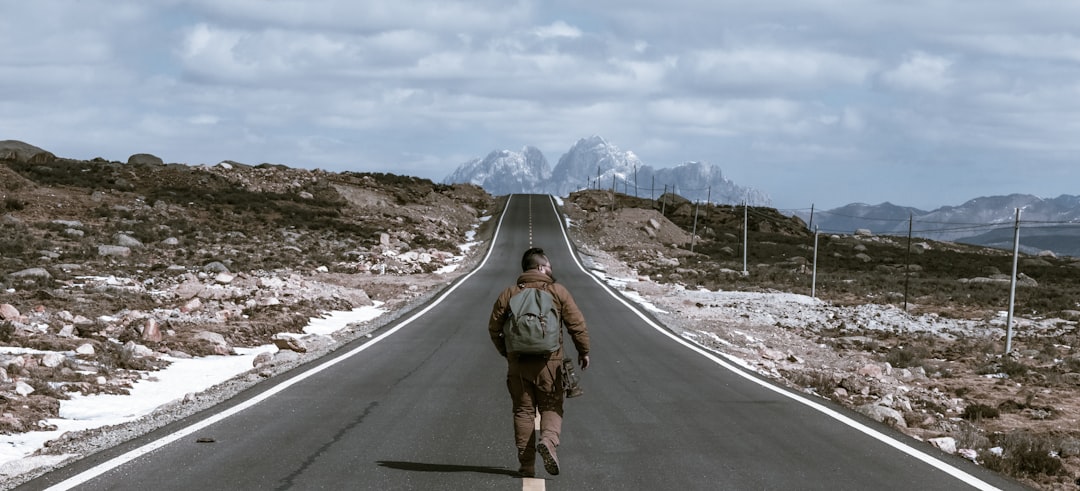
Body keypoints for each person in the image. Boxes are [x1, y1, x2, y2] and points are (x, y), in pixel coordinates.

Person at [489, 247, 590, 478]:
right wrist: (584, 351)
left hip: (519, 364)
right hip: (550, 364)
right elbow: (577, 325)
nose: (551, 271)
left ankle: (526, 467)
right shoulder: (557, 291)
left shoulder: (509, 293)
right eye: (550, 267)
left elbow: (494, 328)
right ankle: (549, 442)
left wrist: (508, 353)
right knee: (551, 406)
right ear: (541, 267)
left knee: (523, 412)